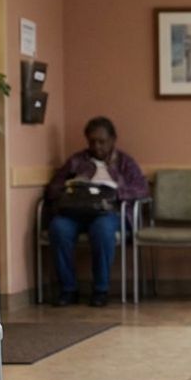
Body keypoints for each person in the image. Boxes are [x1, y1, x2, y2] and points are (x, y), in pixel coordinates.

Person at [44, 116, 149, 307]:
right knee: (58, 228)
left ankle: (101, 290)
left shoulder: (124, 162)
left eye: (102, 141)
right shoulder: (76, 161)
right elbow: (53, 188)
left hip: (108, 212)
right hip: (76, 212)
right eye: (92, 141)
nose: (97, 146)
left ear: (113, 140)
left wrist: (116, 193)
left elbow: (142, 189)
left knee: (101, 230)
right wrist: (71, 186)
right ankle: (68, 290)